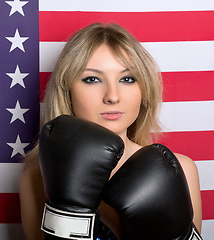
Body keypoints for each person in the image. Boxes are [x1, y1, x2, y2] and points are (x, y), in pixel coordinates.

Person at [19, 23, 202, 240]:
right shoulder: (36, 178)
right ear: (67, 91)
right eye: (92, 79)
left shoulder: (181, 169)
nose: (112, 96)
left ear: (144, 90)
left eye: (127, 78)